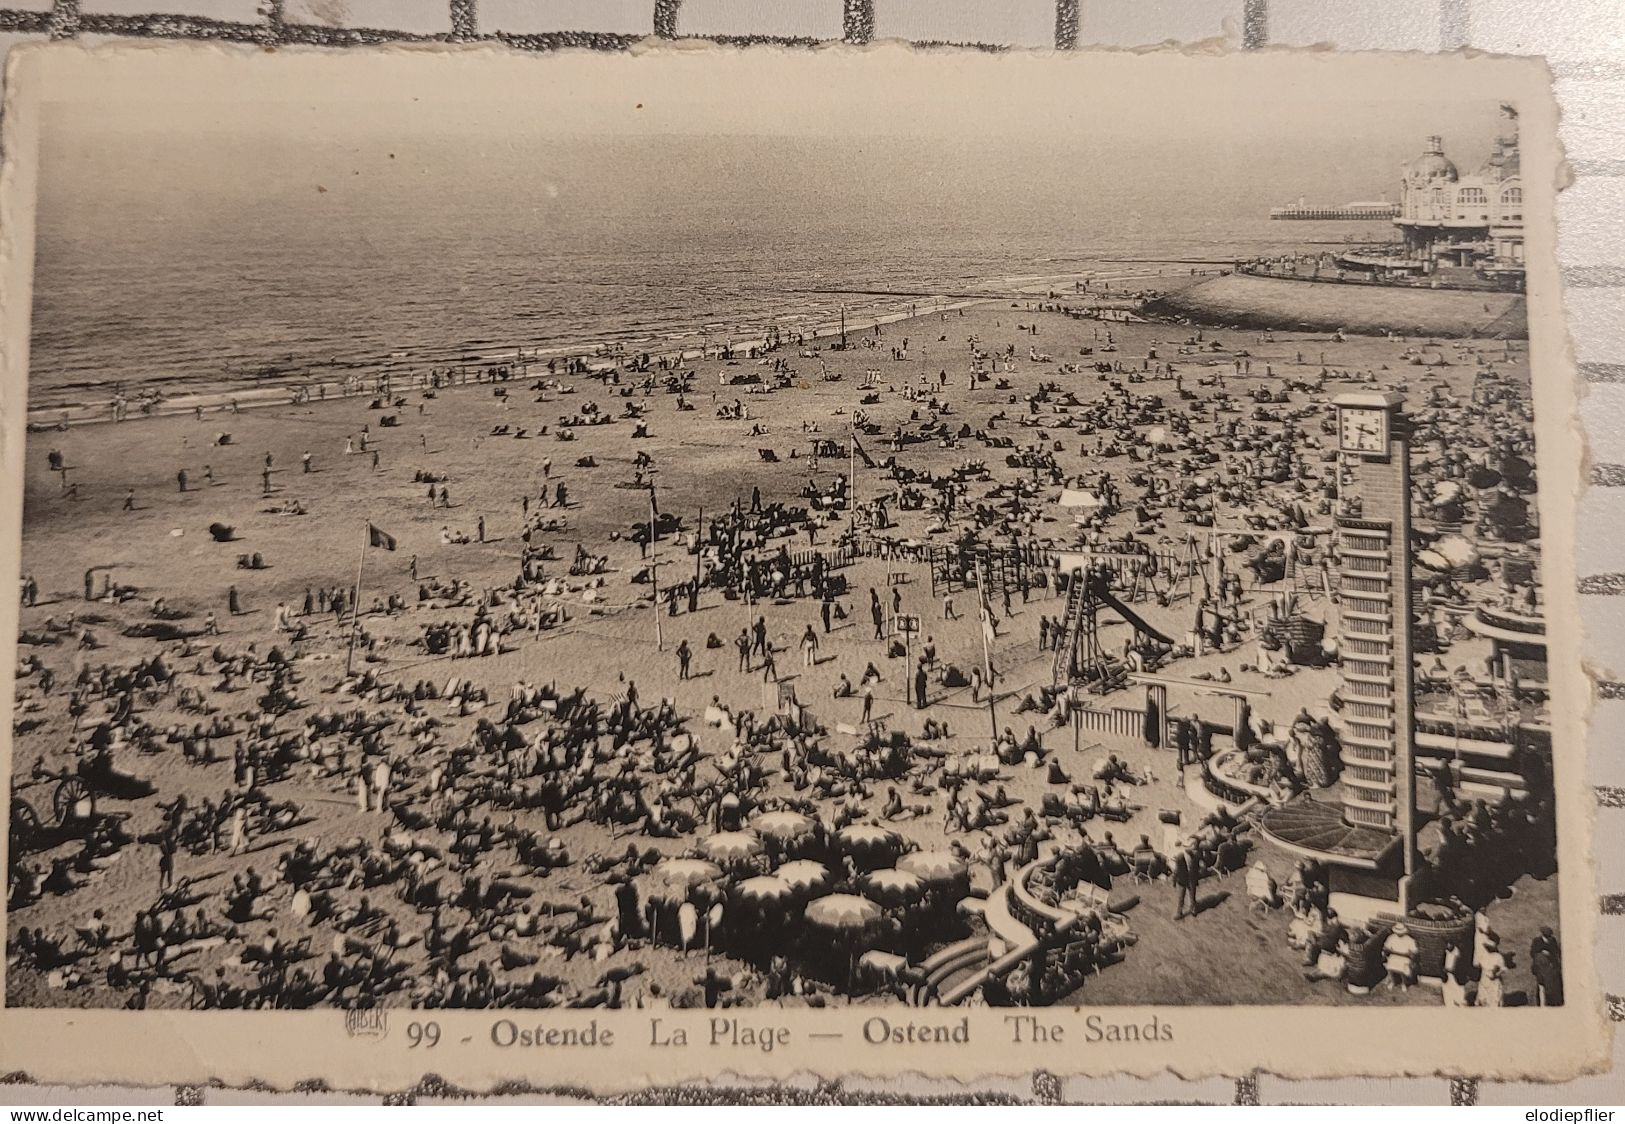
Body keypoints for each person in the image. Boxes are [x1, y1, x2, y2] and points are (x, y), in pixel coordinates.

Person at [1382, 922, 1418, 990]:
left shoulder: (1409, 939)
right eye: (1397, 932)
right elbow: (1386, 948)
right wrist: (1393, 952)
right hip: (1394, 957)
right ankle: (1393, 982)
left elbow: (1413, 952)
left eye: (1400, 932)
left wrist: (1406, 954)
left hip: (1405, 958)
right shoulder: (1391, 938)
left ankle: (1403, 984)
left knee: (1403, 969)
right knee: (1390, 967)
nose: (1399, 933)